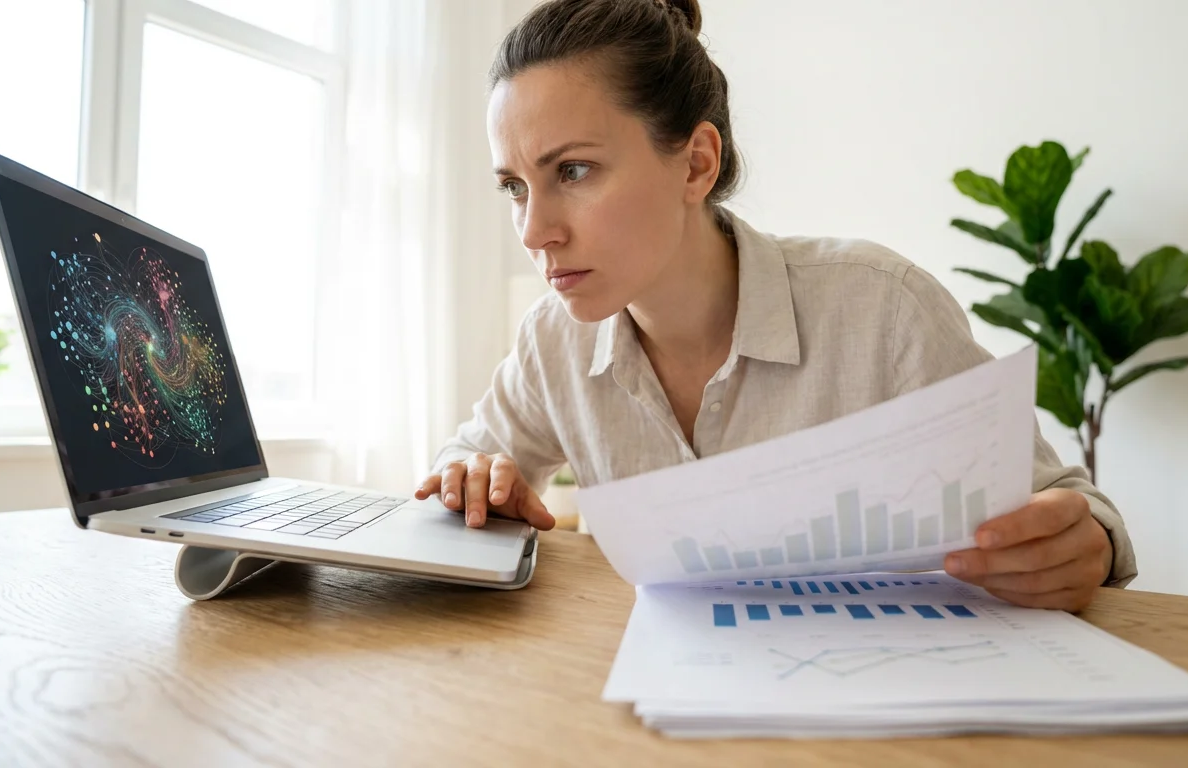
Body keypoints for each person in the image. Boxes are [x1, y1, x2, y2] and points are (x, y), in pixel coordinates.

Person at [414, 0, 1136, 611]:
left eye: (573, 170)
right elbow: (465, 460)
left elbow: (1073, 506)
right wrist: (469, 484)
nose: (535, 230)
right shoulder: (553, 342)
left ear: (698, 163)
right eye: (513, 186)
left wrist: (1082, 544)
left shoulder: (881, 307)